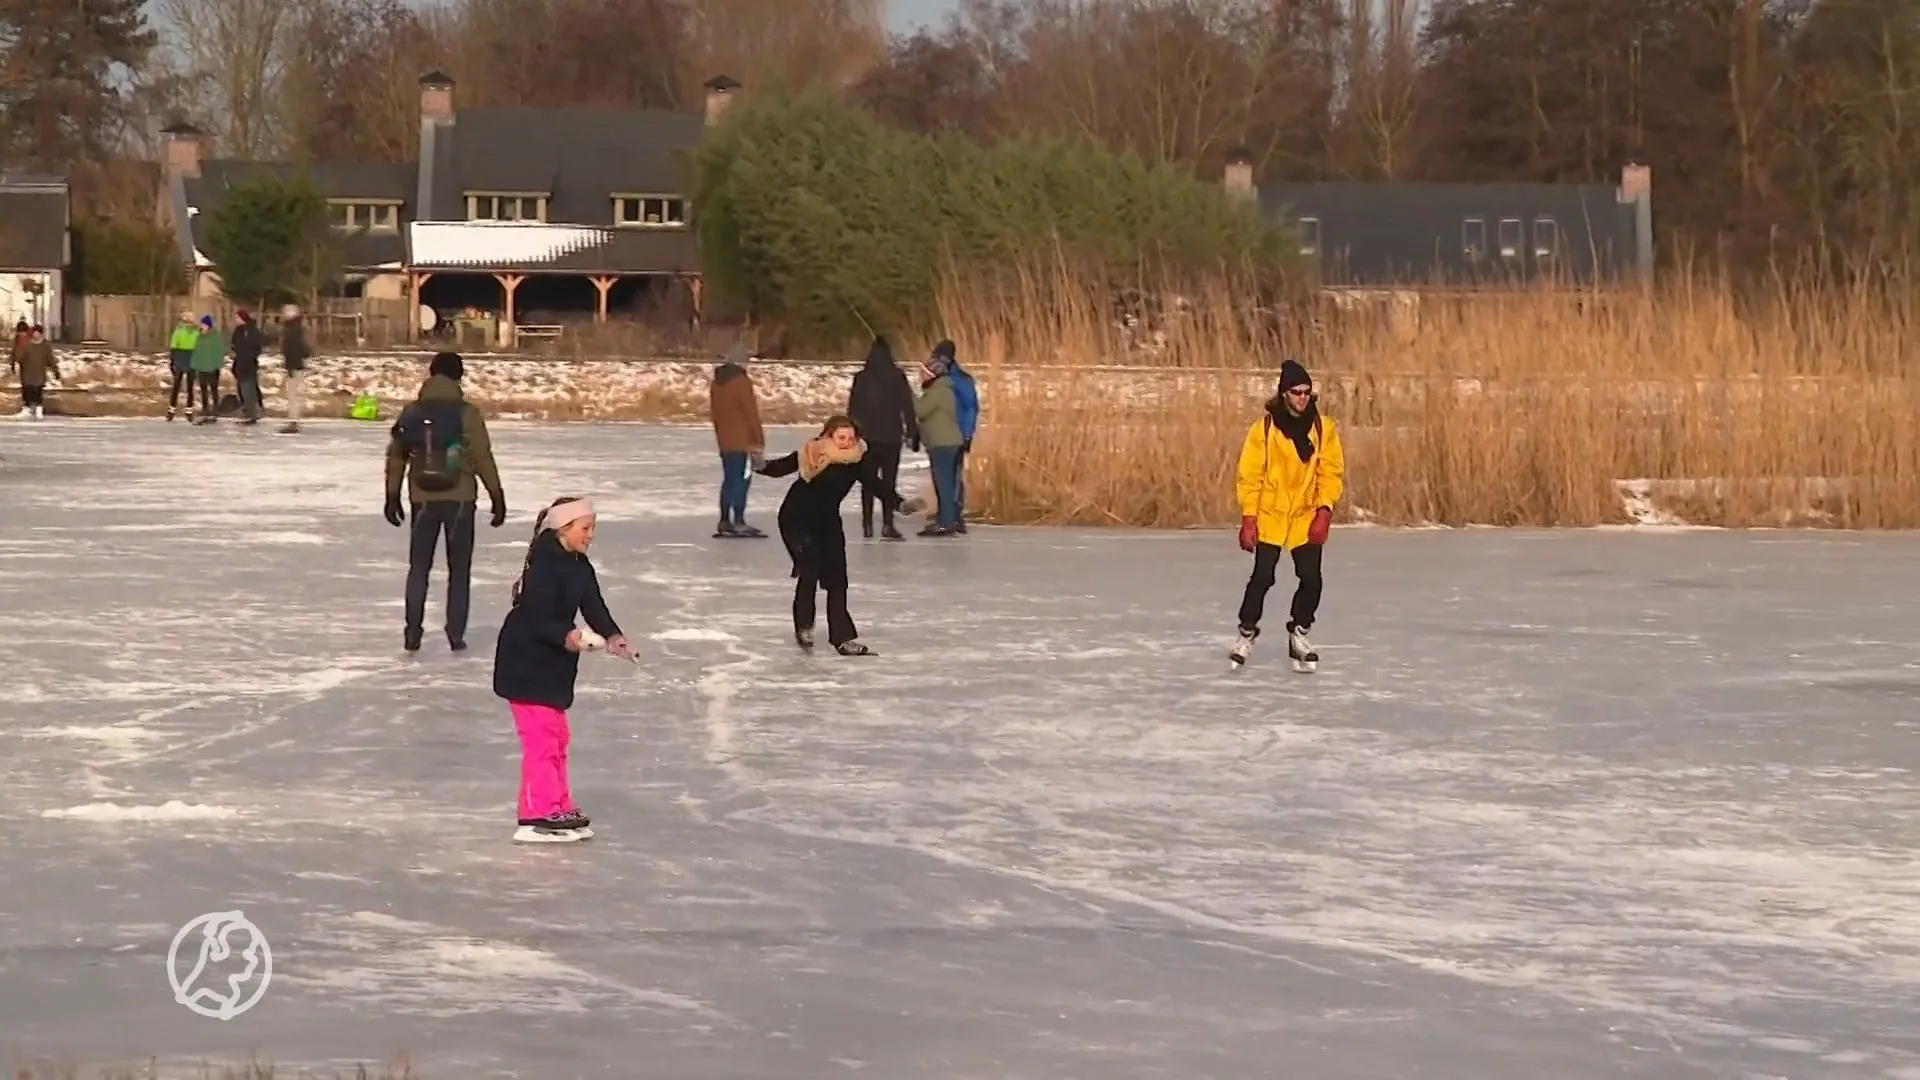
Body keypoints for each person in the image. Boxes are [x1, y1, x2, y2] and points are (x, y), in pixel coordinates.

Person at [493, 496, 633, 843]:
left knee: (557, 738)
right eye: (586, 528)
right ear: (564, 528)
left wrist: (614, 636)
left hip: (553, 663)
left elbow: (593, 606)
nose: (591, 535)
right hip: (525, 661)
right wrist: (568, 635)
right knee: (541, 741)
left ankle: (558, 803)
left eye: (592, 528)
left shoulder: (579, 565)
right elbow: (535, 615)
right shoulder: (543, 564)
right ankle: (535, 813)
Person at [755, 415, 926, 655]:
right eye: (841, 437)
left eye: (851, 438)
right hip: (796, 519)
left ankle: (843, 639)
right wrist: (759, 464)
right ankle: (804, 626)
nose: (846, 442)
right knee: (810, 567)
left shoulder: (856, 460)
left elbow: (875, 484)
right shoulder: (811, 451)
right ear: (828, 436)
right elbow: (779, 468)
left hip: (827, 522)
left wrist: (900, 504)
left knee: (838, 579)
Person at [383, 351, 508, 653]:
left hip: (422, 499)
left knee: (419, 568)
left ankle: (413, 633)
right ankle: (455, 634)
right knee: (459, 570)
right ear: (459, 376)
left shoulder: (412, 412)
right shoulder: (467, 413)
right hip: (461, 500)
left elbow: (396, 455)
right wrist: (496, 494)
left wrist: (392, 495)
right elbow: (481, 456)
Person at [1231, 360, 1345, 671]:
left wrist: (1324, 511)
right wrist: (1249, 518)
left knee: (1312, 580)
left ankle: (1300, 633)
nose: (1303, 398)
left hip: (1304, 515)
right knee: (1263, 577)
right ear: (1284, 394)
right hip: (1270, 515)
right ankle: (1246, 632)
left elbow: (1330, 473)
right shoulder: (1264, 430)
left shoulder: (1324, 429)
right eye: (1296, 392)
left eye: (1308, 393)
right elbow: (1250, 476)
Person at [845, 335, 919, 540]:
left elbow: (853, 409)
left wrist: (850, 435)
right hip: (891, 437)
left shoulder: (861, 378)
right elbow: (907, 406)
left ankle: (867, 525)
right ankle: (888, 524)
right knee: (888, 482)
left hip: (867, 438)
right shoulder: (897, 376)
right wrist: (912, 431)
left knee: (868, 482)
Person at [708, 340, 766, 538]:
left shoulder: (717, 383)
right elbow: (750, 412)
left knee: (729, 480)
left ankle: (725, 519)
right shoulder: (742, 381)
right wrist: (758, 440)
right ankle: (739, 521)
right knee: (742, 479)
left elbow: (715, 414)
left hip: (725, 440)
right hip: (744, 441)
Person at [913, 353, 966, 537]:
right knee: (946, 483)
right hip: (946, 442)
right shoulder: (941, 390)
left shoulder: (938, 392)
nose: (920, 377)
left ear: (932, 375)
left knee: (944, 484)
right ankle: (946, 519)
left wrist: (909, 395)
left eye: (923, 373)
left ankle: (946, 523)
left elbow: (921, 411)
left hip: (943, 444)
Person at [933, 339, 980, 532]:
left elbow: (970, 408)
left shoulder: (960, 380)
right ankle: (946, 513)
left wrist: (967, 435)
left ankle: (954, 515)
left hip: (956, 433)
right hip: (939, 433)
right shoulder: (937, 377)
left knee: (952, 476)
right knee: (943, 476)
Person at [10, 325, 56, 419]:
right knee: (27, 390)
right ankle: (27, 408)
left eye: (37, 333)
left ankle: (39, 409)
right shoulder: (27, 345)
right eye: (34, 332)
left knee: (38, 390)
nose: (36, 335)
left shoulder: (45, 345)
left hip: (39, 371)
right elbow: (20, 356)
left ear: (41, 334)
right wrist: (16, 362)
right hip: (27, 371)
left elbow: (50, 358)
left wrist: (55, 369)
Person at [277, 304, 309, 434]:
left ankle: (294, 421)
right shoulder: (295, 328)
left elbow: (293, 349)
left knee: (293, 395)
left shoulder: (293, 330)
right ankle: (293, 419)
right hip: (296, 364)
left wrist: (291, 366)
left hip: (294, 365)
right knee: (293, 394)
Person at [188, 314, 225, 424]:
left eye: (204, 324)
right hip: (202, 366)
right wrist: (194, 364)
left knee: (213, 388)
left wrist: (217, 364)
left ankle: (215, 409)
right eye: (202, 324)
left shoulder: (215, 336)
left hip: (213, 367)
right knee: (203, 388)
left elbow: (219, 351)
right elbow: (196, 350)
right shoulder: (199, 336)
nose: (202, 326)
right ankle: (205, 408)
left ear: (208, 325)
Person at [230, 309, 264, 424]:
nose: (236, 320)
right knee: (243, 387)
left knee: (249, 388)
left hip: (249, 363)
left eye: (237, 318)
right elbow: (233, 344)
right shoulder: (238, 331)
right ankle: (247, 409)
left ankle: (252, 412)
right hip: (240, 362)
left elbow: (257, 346)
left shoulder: (252, 330)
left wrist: (250, 355)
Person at [166, 310, 199, 422]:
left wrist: (172, 360)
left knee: (181, 385)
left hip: (185, 356)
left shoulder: (182, 331)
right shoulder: (194, 332)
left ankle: (179, 409)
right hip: (185, 357)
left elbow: (174, 346)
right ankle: (176, 409)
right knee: (182, 385)